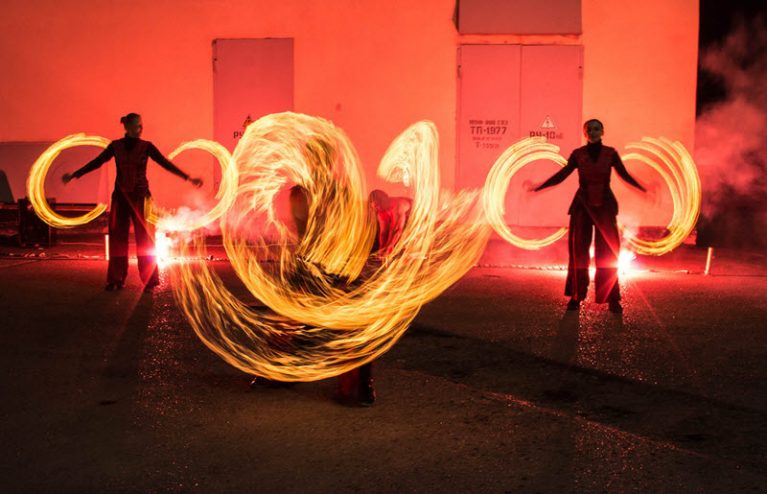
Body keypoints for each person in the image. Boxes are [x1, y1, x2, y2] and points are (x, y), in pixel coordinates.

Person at [62, 113, 203, 292]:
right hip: (120, 198)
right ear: (127, 127)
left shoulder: (147, 147)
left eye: (141, 125)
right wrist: (75, 174)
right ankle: (116, 279)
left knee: (145, 240)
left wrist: (188, 178)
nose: (141, 129)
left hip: (141, 197)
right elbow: (97, 162)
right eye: (137, 126)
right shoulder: (116, 146)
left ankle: (150, 282)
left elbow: (165, 164)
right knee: (117, 239)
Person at [530, 119, 646, 313]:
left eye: (596, 128)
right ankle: (576, 297)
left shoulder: (611, 153)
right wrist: (539, 186)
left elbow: (624, 175)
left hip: (605, 207)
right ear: (585, 133)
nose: (592, 132)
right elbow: (562, 174)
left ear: (602, 131)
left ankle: (612, 298)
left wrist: (642, 187)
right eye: (589, 129)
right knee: (579, 253)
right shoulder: (578, 154)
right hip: (582, 207)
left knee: (608, 253)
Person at [368, 189, 413, 257]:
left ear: (384, 200)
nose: (377, 209)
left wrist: (388, 248)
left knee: (402, 240)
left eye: (377, 206)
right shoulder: (381, 210)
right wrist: (381, 250)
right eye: (375, 207)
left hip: (420, 219)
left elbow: (397, 230)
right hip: (405, 221)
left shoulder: (398, 205)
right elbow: (383, 232)